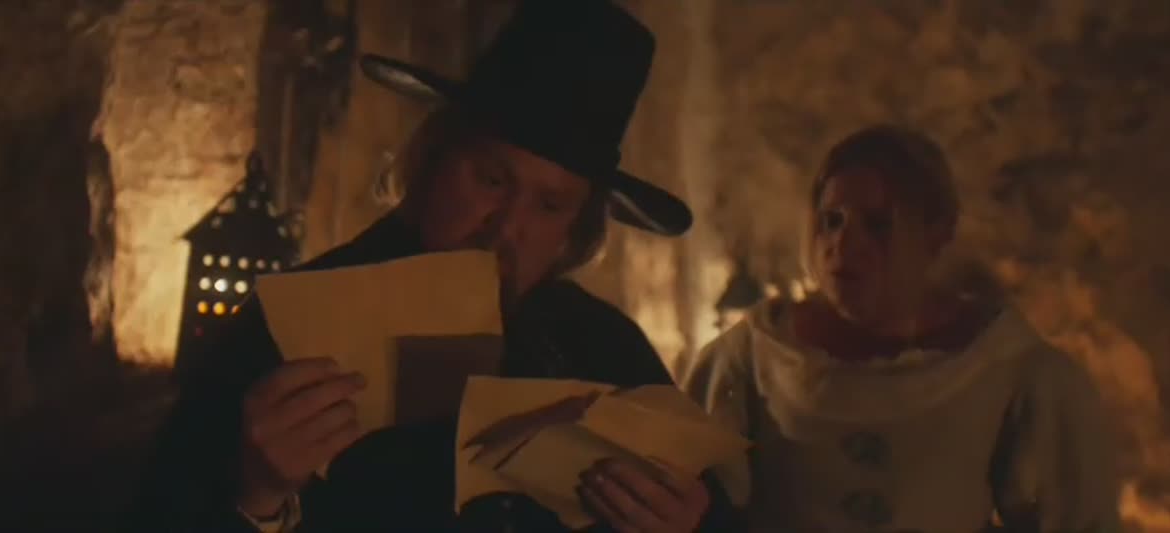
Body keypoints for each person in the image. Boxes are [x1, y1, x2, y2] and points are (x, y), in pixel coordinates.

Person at [128, 2, 738, 532]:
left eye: (550, 206)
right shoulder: (286, 327)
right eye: (491, 179)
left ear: (573, 233)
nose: (506, 228)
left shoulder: (606, 348)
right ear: (432, 161)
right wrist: (256, 497)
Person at [674, 125, 1120, 532]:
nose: (843, 244)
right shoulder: (756, 357)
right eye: (832, 221)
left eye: (877, 224)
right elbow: (692, 506)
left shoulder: (1008, 369)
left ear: (936, 232)